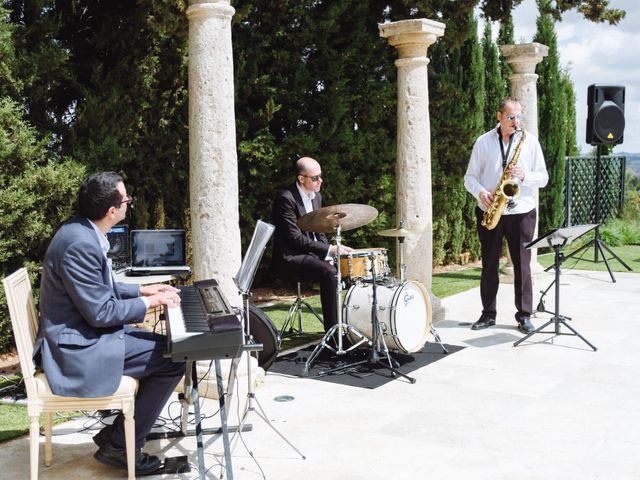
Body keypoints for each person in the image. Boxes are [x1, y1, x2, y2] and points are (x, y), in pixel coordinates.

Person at [34, 172, 186, 475]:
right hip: (76, 350)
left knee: (165, 348)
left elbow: (100, 288)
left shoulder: (80, 230)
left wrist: (144, 290)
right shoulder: (80, 244)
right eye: (126, 199)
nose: (129, 202)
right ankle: (120, 446)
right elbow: (101, 313)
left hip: (81, 333)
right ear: (112, 211)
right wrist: (151, 303)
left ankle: (115, 435)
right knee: (174, 357)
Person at [463, 97, 549, 334]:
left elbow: (543, 178)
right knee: (489, 264)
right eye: (511, 116)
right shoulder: (483, 142)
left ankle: (524, 315)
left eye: (519, 116)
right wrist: (481, 193)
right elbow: (469, 177)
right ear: (499, 116)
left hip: (521, 211)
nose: (516, 121)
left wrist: (524, 176)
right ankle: (488, 313)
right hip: (491, 209)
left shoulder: (530, 142)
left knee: (523, 266)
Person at [272, 157, 354, 332]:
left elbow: (319, 231)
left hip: (312, 254)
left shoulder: (316, 196)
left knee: (351, 265)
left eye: (320, 176)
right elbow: (295, 239)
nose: (320, 181)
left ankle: (351, 326)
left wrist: (328, 255)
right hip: (292, 256)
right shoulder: (286, 199)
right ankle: (333, 332)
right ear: (301, 179)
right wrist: (330, 250)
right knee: (329, 273)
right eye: (315, 178)